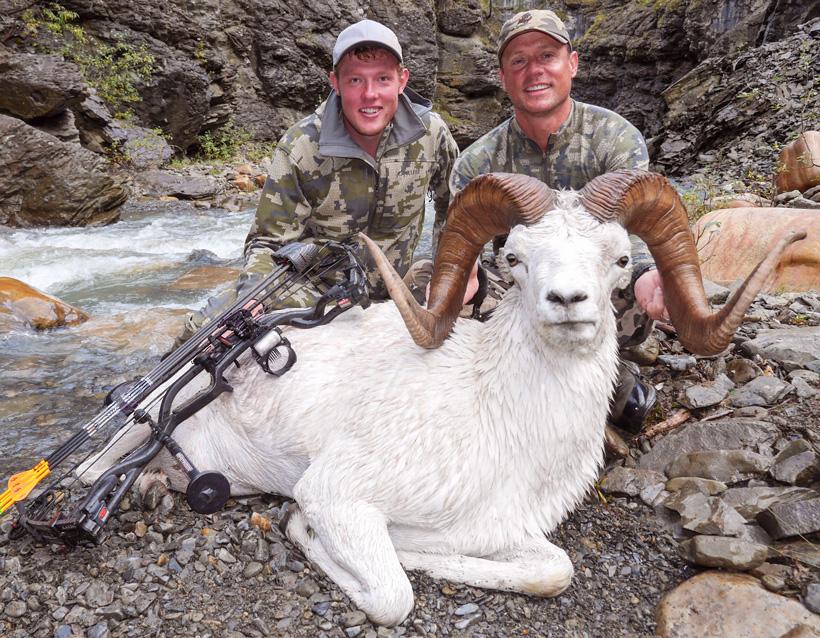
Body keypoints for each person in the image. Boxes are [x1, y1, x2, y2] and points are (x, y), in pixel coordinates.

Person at [176, 19, 459, 344]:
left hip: (401, 291)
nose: (370, 95)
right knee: (203, 327)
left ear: (402, 81)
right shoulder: (301, 146)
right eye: (355, 80)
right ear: (335, 82)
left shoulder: (432, 134)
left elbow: (456, 209)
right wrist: (257, 293)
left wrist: (454, 271)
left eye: (383, 79)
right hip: (319, 292)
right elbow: (267, 244)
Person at [450, 9, 667, 432]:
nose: (534, 71)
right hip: (519, 288)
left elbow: (636, 226)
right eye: (518, 61)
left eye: (547, 55)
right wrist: (464, 271)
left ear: (572, 63)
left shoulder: (615, 138)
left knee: (628, 288)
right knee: (434, 280)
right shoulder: (476, 163)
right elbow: (459, 240)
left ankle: (603, 374)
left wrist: (646, 271)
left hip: (594, 284)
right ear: (502, 75)